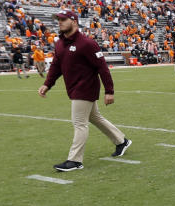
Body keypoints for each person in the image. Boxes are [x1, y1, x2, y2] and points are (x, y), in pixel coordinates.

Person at [38, 10, 131, 172]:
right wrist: (47, 84)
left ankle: (75, 160)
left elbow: (102, 68)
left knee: (79, 123)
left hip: (86, 88)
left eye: (63, 19)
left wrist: (109, 91)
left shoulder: (87, 43)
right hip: (73, 88)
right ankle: (121, 141)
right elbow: (56, 66)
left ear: (74, 21)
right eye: (58, 19)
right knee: (95, 117)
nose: (59, 22)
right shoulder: (60, 43)